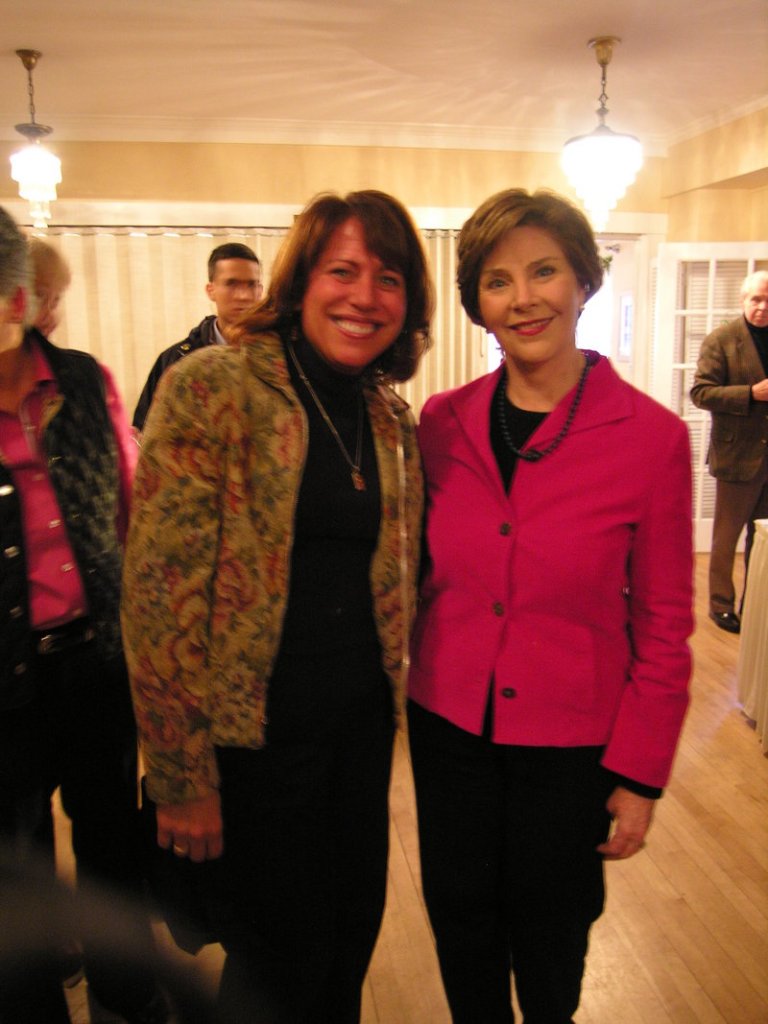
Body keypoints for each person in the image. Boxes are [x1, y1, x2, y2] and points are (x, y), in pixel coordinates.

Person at [121, 189, 433, 1023]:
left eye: (389, 277)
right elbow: (156, 597)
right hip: (255, 747)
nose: (365, 296)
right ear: (298, 283)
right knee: (275, 964)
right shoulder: (212, 387)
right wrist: (181, 775)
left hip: (361, 740)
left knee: (347, 938)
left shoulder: (389, 417)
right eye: (343, 270)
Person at [407, 188, 694, 1024]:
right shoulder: (440, 422)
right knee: (459, 917)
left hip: (572, 740)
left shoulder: (651, 438)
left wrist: (640, 776)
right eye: (498, 281)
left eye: (544, 272)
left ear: (582, 283)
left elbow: (666, 624)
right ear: (479, 306)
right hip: (449, 724)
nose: (524, 297)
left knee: (552, 928)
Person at [0, 207, 168, 1023]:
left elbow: (133, 514)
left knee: (111, 846)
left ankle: (127, 998)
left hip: (97, 661)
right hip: (5, 683)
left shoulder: (84, 380)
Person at [690, 270, 768, 633]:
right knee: (726, 537)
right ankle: (721, 605)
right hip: (737, 456)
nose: (762, 307)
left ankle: (755, 604)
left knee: (764, 539)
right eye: (756, 299)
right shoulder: (722, 340)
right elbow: (701, 393)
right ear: (743, 300)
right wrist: (750, 394)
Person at [132, 242, 263, 432]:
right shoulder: (178, 361)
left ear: (260, 290)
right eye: (231, 284)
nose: (243, 296)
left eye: (251, 285)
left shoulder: (279, 357)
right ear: (211, 290)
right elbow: (144, 433)